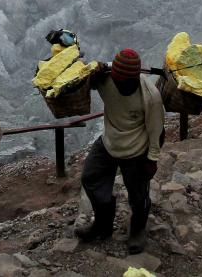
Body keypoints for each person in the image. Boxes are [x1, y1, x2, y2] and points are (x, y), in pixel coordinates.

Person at [75, 48, 163, 253]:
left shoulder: (150, 96)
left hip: (136, 147)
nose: (120, 85)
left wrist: (152, 159)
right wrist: (89, 73)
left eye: (125, 82)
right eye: (117, 80)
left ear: (135, 78)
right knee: (91, 177)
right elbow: (82, 79)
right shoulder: (105, 79)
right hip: (109, 141)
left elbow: (156, 129)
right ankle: (103, 225)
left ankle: (138, 230)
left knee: (138, 192)